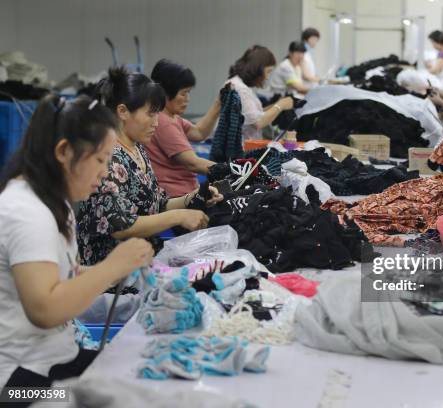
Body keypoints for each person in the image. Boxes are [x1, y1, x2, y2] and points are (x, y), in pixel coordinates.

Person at [0, 94, 154, 390]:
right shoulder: (25, 212)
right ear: (63, 151)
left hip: (51, 360)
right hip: (16, 387)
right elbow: (45, 309)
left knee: (145, 373)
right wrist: (110, 267)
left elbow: (58, 276)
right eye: (100, 160)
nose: (105, 172)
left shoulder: (52, 203)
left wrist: (114, 270)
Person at [77, 67, 221, 267]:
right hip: (110, 274)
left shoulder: (137, 150)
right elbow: (121, 225)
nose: (156, 123)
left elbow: (158, 204)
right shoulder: (107, 157)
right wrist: (179, 216)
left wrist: (194, 197)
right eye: (151, 114)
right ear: (122, 111)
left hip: (141, 263)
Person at [146, 59, 218, 197]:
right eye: (183, 93)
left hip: (182, 193)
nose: (187, 99)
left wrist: (218, 104)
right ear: (166, 93)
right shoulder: (164, 121)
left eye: (188, 93)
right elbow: (193, 164)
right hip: (175, 196)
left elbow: (198, 133)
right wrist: (232, 170)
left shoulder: (171, 117)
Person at [228, 45, 294, 140]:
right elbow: (258, 122)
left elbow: (254, 114)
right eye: (268, 72)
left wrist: (275, 105)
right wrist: (281, 105)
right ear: (257, 69)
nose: (267, 77)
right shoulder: (239, 88)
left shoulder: (241, 85)